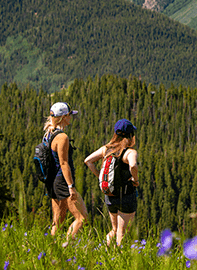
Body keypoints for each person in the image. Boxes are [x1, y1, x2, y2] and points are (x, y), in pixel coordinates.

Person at [84, 118, 139, 246]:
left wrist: (99, 175)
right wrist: (135, 180)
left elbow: (88, 161)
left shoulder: (106, 149)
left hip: (110, 196)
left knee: (114, 229)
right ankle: (119, 259)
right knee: (122, 232)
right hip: (126, 197)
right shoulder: (129, 152)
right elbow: (133, 166)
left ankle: (105, 251)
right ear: (131, 136)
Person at [43, 101, 88, 241]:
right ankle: (66, 246)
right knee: (82, 218)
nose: (71, 117)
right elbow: (63, 163)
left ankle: (51, 250)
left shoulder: (48, 134)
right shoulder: (62, 137)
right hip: (62, 182)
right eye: (69, 115)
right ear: (63, 117)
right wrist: (71, 186)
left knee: (58, 221)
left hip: (52, 182)